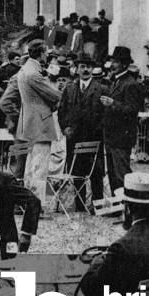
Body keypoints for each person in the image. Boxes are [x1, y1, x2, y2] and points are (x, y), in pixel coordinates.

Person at [2, 40, 61, 200]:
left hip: (28, 123)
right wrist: (57, 96)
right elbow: (55, 95)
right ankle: (36, 202)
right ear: (41, 54)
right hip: (40, 123)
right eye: (46, 53)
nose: (47, 56)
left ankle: (27, 200)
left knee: (29, 167)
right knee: (39, 168)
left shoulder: (24, 71)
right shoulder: (33, 73)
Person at [57, 55, 105, 212]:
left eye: (89, 67)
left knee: (95, 172)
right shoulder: (69, 88)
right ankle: (80, 205)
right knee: (76, 171)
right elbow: (62, 111)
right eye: (82, 66)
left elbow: (106, 114)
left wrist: (99, 131)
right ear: (77, 69)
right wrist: (65, 128)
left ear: (93, 69)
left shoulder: (101, 89)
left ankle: (97, 204)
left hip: (94, 138)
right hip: (74, 137)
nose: (85, 69)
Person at [100, 46, 144, 202]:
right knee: (113, 174)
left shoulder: (130, 84)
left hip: (122, 137)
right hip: (112, 136)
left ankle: (129, 206)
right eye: (112, 61)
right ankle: (118, 204)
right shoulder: (116, 81)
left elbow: (133, 110)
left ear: (125, 64)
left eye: (116, 61)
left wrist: (113, 103)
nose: (112, 64)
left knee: (122, 173)